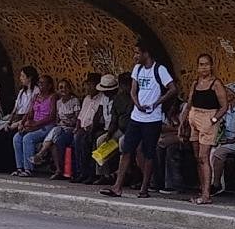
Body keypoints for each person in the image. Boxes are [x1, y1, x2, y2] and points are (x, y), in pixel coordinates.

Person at [101, 40, 176, 199]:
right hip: (137, 116)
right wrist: (137, 103)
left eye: (137, 53)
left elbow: (172, 89)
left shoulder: (159, 69)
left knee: (148, 153)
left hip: (152, 118)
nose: (135, 56)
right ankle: (117, 186)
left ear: (146, 53)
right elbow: (134, 90)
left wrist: (157, 103)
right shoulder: (137, 69)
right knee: (127, 150)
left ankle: (145, 187)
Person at [181, 54, 230, 205]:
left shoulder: (215, 84)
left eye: (207, 64)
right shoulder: (196, 83)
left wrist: (214, 120)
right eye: (201, 64)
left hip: (208, 117)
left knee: (204, 156)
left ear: (212, 66)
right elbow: (189, 103)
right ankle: (202, 189)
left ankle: (207, 194)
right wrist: (183, 121)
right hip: (194, 115)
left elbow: (224, 105)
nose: (204, 67)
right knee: (197, 157)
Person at [0, 65, 39, 171]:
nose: (21, 78)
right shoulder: (21, 92)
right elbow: (15, 109)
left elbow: (31, 110)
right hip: (17, 117)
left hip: (28, 119)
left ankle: (13, 166)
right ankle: (2, 166)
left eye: (23, 76)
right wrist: (9, 122)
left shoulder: (36, 91)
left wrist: (18, 122)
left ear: (29, 78)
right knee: (1, 134)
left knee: (11, 135)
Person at [70, 73, 113, 184]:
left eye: (90, 84)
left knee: (92, 141)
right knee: (78, 139)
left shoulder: (105, 97)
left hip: (103, 128)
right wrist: (78, 127)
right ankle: (81, 172)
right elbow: (84, 116)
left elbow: (101, 118)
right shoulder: (87, 99)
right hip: (87, 128)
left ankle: (94, 173)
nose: (88, 87)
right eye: (87, 84)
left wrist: (92, 129)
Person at [14, 75, 57, 177]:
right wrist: (22, 123)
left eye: (43, 83)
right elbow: (29, 112)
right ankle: (20, 167)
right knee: (17, 137)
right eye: (39, 83)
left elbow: (52, 116)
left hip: (47, 125)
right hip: (34, 124)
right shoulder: (36, 96)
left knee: (28, 138)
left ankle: (29, 168)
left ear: (49, 86)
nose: (40, 85)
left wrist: (36, 124)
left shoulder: (52, 97)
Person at [95, 73, 132, 185]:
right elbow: (114, 119)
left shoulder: (134, 96)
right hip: (119, 129)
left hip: (131, 130)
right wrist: (109, 134)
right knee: (101, 141)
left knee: (122, 142)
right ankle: (104, 174)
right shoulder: (118, 99)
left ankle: (124, 175)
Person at [44, 78, 80, 180]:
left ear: (70, 89)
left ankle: (67, 171)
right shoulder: (58, 102)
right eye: (60, 87)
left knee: (59, 140)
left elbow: (77, 118)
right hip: (60, 127)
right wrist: (60, 123)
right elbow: (57, 119)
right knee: (54, 140)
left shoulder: (74, 101)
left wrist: (68, 122)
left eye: (65, 87)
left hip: (71, 128)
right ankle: (59, 170)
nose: (63, 89)